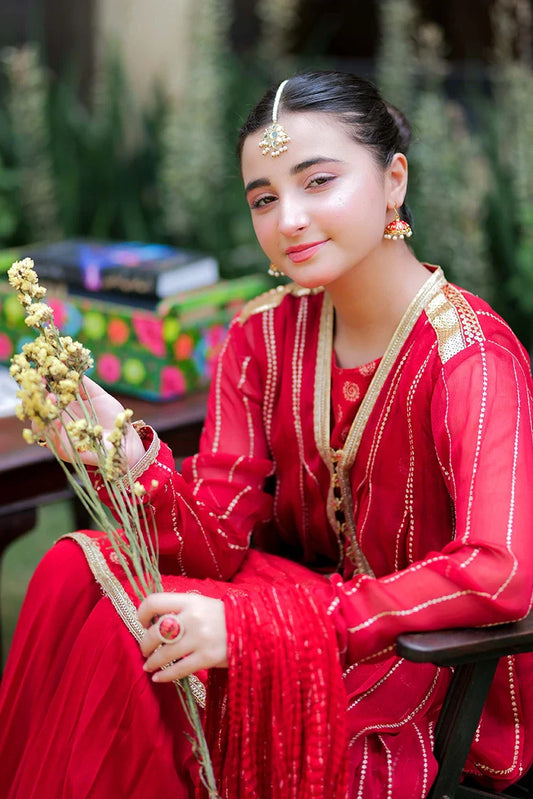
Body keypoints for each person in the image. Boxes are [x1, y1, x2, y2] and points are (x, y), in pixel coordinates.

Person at [1, 70, 532, 799]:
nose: (289, 219)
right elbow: (218, 539)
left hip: (419, 662)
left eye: (317, 182)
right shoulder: (262, 335)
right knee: (83, 574)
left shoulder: (470, 357)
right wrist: (124, 453)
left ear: (393, 182)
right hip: (291, 604)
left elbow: (498, 571)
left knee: (138, 648)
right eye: (264, 198)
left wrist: (266, 628)